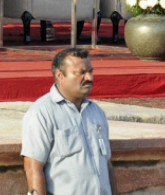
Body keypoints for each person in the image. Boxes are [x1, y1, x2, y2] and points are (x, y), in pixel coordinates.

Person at [21, 47, 114, 195]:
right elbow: (33, 167)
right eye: (81, 73)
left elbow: (107, 165)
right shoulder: (42, 113)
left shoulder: (97, 113)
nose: (89, 78)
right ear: (60, 75)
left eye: (90, 71)